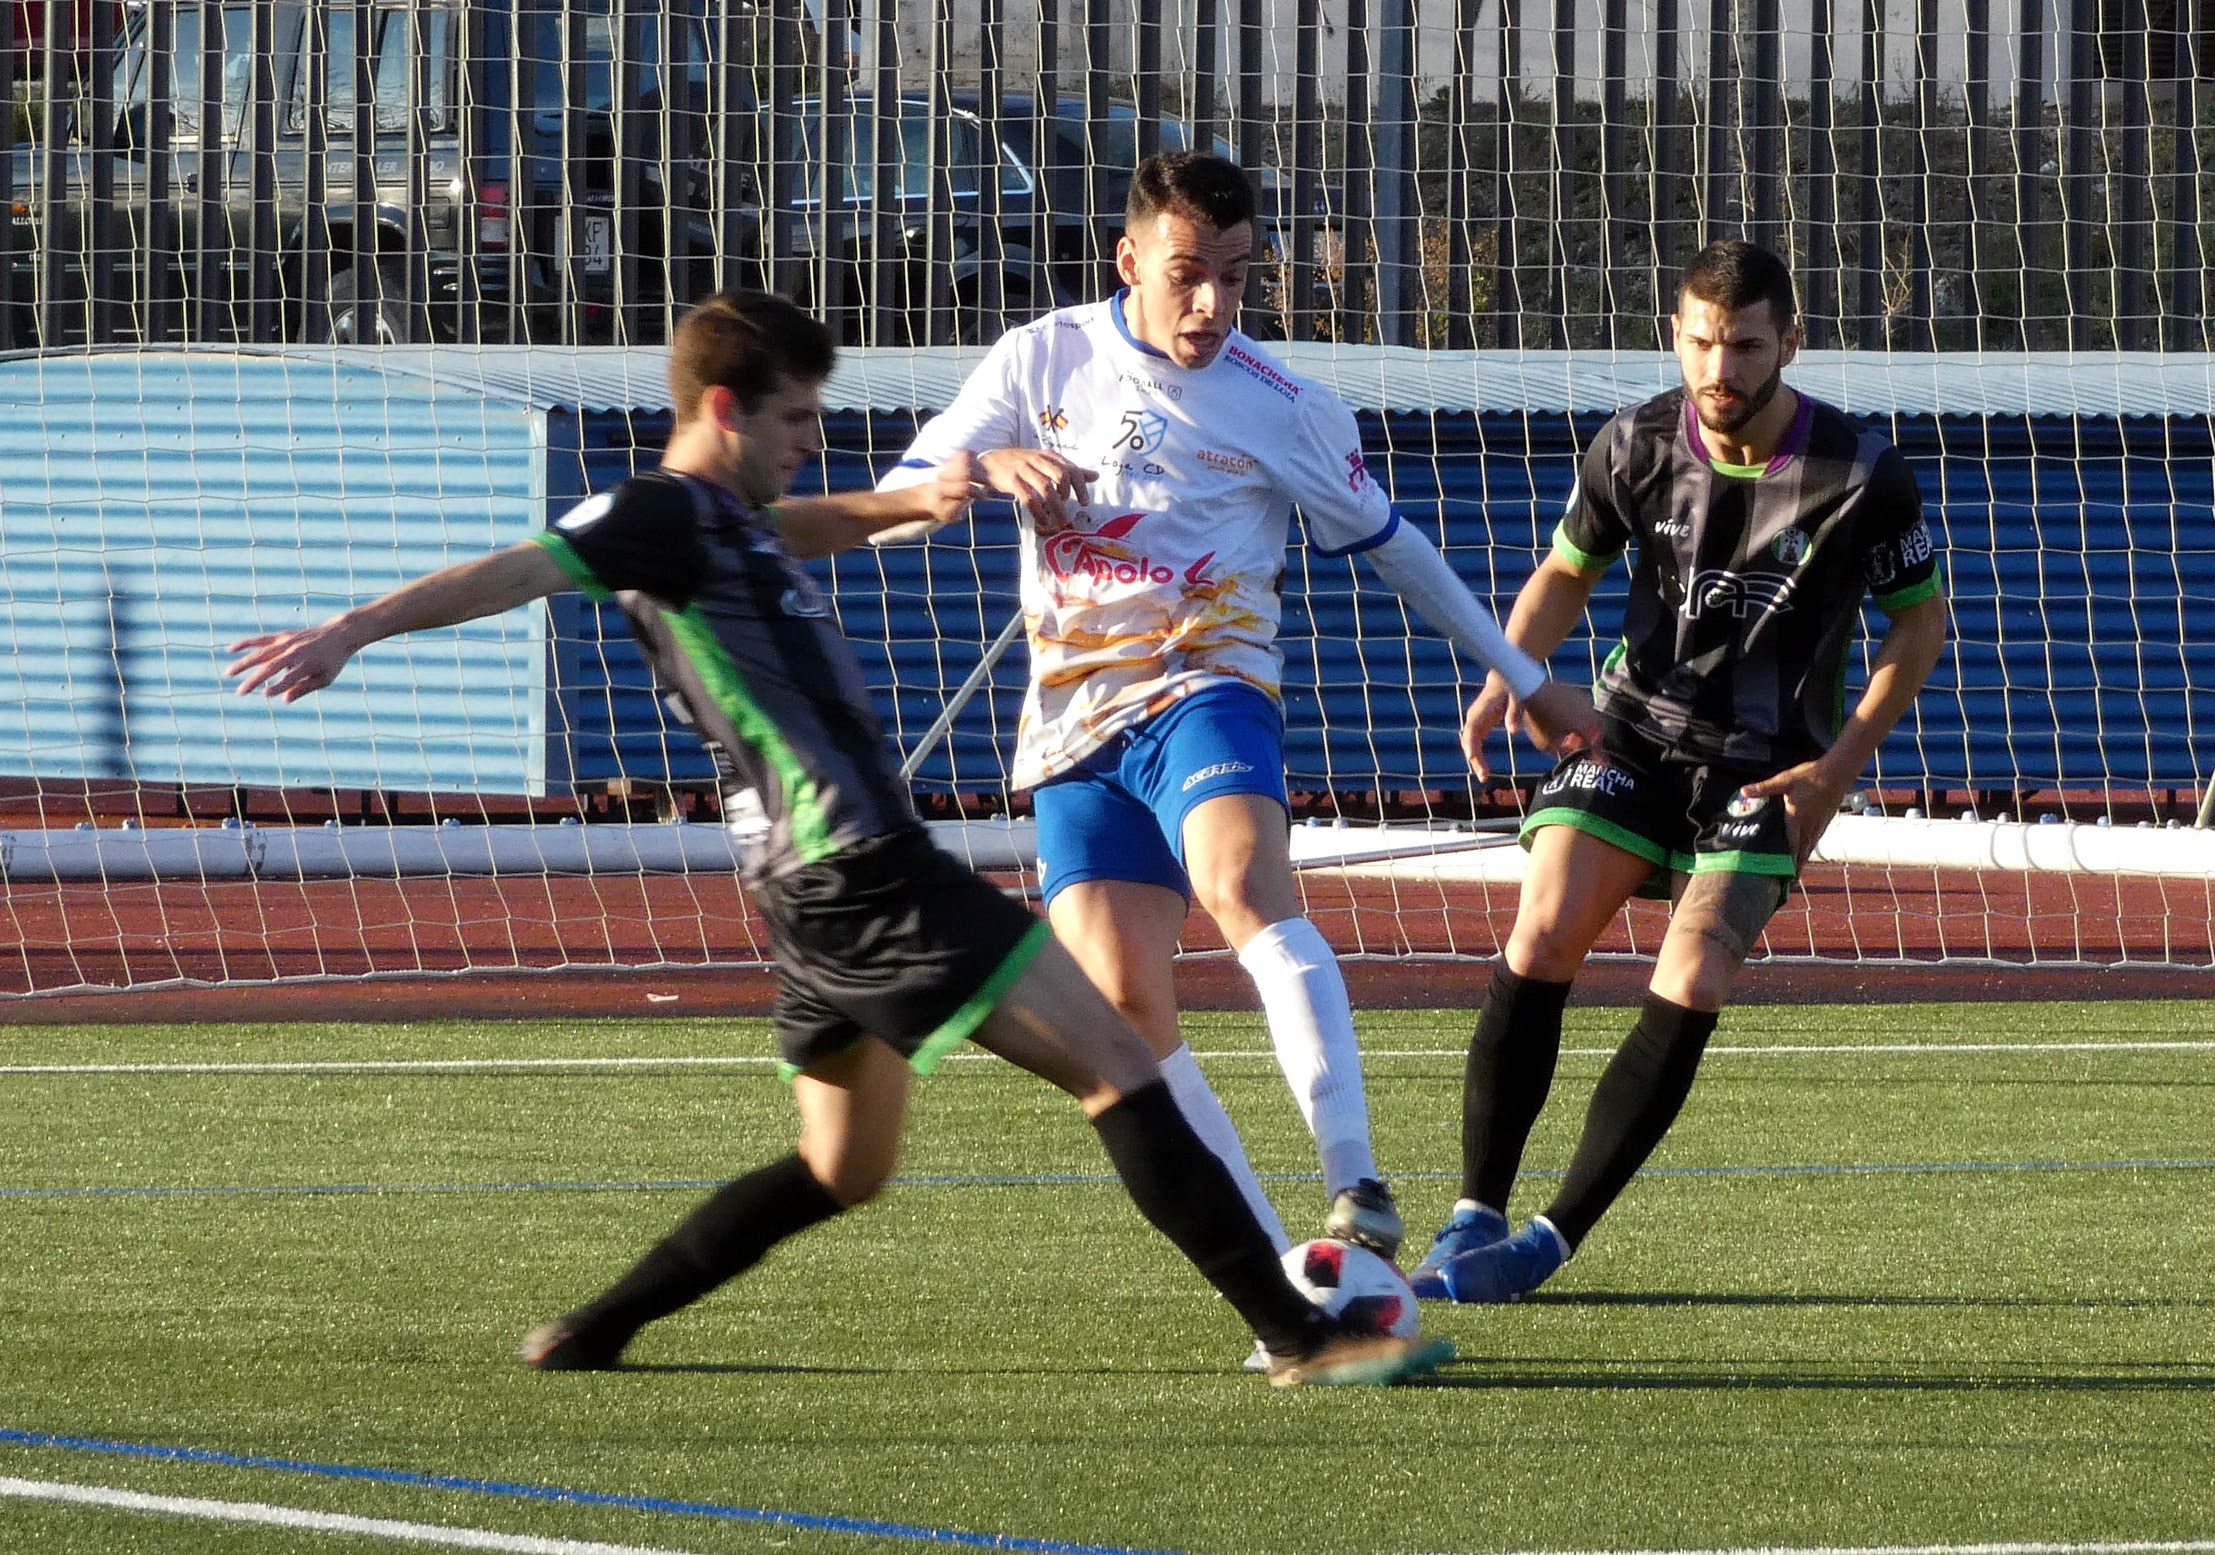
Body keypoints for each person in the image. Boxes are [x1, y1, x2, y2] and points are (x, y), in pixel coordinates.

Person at [226, 290, 1452, 1388]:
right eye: (798, 420)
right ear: (725, 408)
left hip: (804, 899)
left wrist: (919, 496)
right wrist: (354, 628)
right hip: (869, 871)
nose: (812, 439)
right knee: (1121, 1063)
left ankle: (596, 1325)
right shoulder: (655, 514)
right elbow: (528, 566)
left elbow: (804, 524)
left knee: (840, 1167)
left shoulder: (725, 519)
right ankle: (1302, 1335)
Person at [877, 151, 1598, 1270]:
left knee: (1238, 884)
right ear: (1128, 261)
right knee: (1120, 1009)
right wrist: (983, 464)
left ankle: (1355, 1177)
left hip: (1209, 689)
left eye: (1234, 274)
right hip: (1074, 730)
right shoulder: (1038, 358)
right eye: (1185, 274)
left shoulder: (1284, 406)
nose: (1212, 302)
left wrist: (1526, 671)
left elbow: (1395, 549)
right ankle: (1278, 1266)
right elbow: (890, 509)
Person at [1409, 239, 1950, 1303]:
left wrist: (1839, 765)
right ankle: (1470, 1212)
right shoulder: (1634, 443)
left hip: (1771, 765)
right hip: (1630, 732)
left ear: (1788, 344)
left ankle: (1543, 1244)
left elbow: (1919, 624)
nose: (1719, 368)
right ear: (1675, 334)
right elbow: (1567, 572)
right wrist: (1515, 675)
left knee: (1694, 968)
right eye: (1701, 341)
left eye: (1745, 345)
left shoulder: (1863, 473)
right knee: (1545, 923)